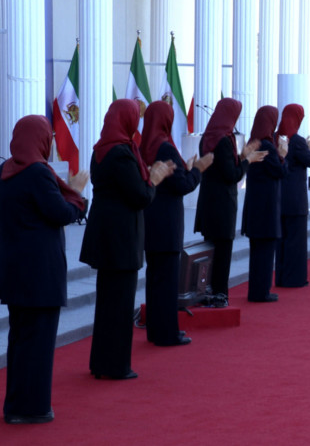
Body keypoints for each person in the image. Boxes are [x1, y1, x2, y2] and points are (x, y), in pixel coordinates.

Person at [0, 115, 88, 424]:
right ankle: (33, 408)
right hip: (40, 271)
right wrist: (77, 193)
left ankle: (15, 406)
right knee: (38, 342)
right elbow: (60, 212)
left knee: (21, 340)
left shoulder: (6, 171)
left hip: (16, 270)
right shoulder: (38, 173)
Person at [80, 99, 174, 380]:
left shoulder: (102, 149)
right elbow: (141, 196)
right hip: (121, 235)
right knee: (120, 303)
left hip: (106, 233)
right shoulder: (121, 153)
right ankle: (115, 365)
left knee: (107, 301)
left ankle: (101, 361)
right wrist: (155, 178)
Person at [140, 101, 213, 346]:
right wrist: (198, 170)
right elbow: (183, 185)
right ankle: (167, 333)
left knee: (155, 279)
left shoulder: (144, 146)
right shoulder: (166, 148)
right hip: (168, 222)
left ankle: (155, 330)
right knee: (168, 280)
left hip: (151, 220)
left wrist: (187, 169)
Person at [194, 98, 266, 308]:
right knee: (223, 253)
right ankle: (219, 294)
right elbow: (231, 175)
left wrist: (242, 155)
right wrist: (247, 161)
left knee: (211, 251)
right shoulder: (224, 140)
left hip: (208, 201)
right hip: (223, 204)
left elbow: (221, 166)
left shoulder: (208, 136)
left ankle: (207, 290)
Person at [242, 106, 287, 302]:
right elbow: (279, 172)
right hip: (266, 206)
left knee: (258, 251)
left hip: (256, 204)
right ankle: (261, 291)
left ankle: (257, 290)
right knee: (266, 251)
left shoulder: (253, 142)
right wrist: (283, 155)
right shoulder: (268, 146)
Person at [275, 103, 310, 288]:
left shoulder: (276, 137)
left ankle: (281, 277)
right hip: (295, 198)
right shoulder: (298, 141)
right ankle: (294, 279)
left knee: (282, 241)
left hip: (280, 196)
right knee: (296, 240)